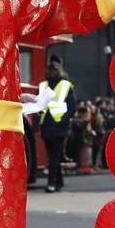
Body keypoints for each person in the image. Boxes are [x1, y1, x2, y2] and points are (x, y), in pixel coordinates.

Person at [39, 55, 76, 193]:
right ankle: (59, 181)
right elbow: (38, 105)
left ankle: (51, 184)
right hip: (47, 126)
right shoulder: (42, 86)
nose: (52, 72)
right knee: (54, 155)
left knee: (54, 155)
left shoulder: (66, 85)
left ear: (59, 70)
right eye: (50, 69)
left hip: (60, 126)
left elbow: (72, 106)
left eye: (55, 69)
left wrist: (64, 121)